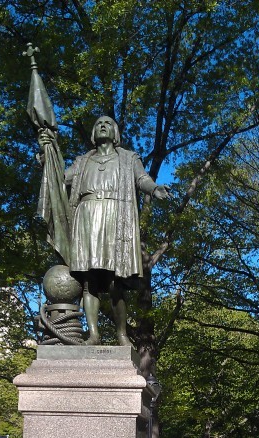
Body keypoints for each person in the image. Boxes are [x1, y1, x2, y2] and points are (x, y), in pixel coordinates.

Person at [39, 116, 170, 345]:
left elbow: (141, 178)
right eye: (98, 123)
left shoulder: (129, 158)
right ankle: (94, 335)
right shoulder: (82, 161)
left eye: (108, 123)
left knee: (114, 280)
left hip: (115, 216)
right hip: (86, 216)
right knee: (89, 280)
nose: (102, 125)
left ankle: (121, 335)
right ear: (92, 133)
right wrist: (46, 156)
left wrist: (154, 188)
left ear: (115, 132)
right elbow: (59, 178)